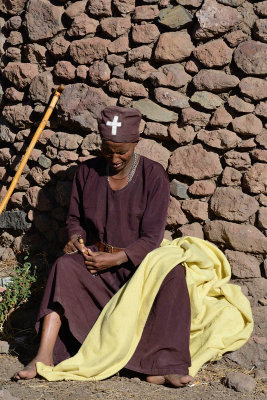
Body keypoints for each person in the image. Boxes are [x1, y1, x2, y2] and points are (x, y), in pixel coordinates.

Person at [13, 106, 193, 387]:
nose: (115, 157)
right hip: (96, 261)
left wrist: (120, 258)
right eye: (108, 150)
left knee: (174, 273)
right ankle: (43, 356)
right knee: (64, 267)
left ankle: (164, 364)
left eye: (122, 150)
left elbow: (151, 236)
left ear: (136, 142)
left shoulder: (154, 176)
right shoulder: (87, 172)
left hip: (136, 266)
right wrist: (76, 239)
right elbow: (74, 219)